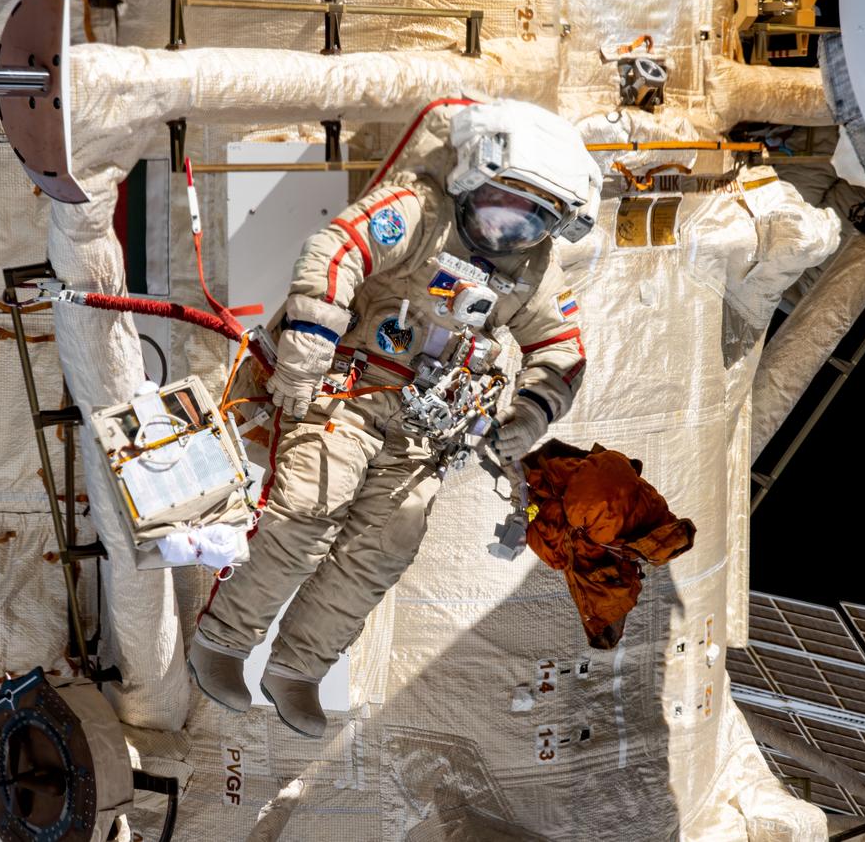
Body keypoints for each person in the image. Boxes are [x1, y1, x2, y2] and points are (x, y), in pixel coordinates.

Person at [189, 98, 600, 737]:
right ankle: (223, 641)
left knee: (385, 546)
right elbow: (337, 248)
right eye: (503, 205)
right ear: (471, 180)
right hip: (346, 389)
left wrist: (529, 413)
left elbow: (562, 350)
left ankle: (297, 668)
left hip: (424, 422)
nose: (510, 231)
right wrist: (310, 335)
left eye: (532, 220)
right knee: (307, 512)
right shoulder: (420, 212)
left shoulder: (532, 270)